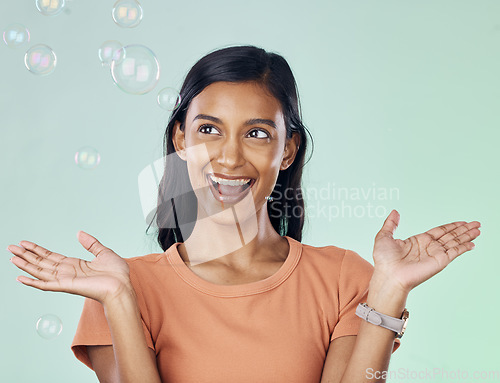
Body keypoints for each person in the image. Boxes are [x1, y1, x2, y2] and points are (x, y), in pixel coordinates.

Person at [7, 45, 481, 383]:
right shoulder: (121, 287)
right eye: (209, 129)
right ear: (180, 141)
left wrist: (389, 291)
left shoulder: (345, 279)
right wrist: (120, 301)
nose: (230, 158)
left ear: (289, 149)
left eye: (257, 133)